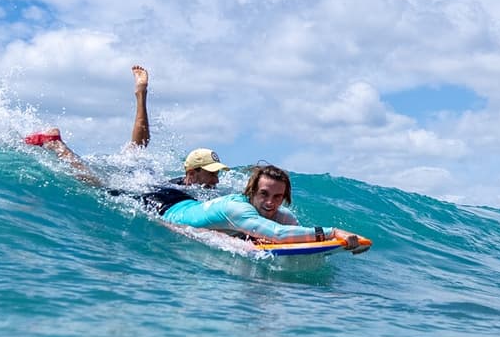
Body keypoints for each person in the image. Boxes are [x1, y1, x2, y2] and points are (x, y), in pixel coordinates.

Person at [24, 63, 230, 209]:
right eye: (211, 174)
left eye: (216, 174)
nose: (216, 180)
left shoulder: (195, 189)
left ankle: (141, 94)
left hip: (146, 177)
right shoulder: (184, 192)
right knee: (97, 183)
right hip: (142, 185)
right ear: (192, 173)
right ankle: (56, 145)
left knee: (138, 149)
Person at [162, 163, 370, 252]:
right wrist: (332, 233)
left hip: (195, 207)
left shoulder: (281, 214)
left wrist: (344, 245)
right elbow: (279, 235)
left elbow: (294, 236)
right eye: (264, 194)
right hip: (166, 205)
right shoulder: (238, 210)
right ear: (251, 192)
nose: (270, 202)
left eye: (278, 196)